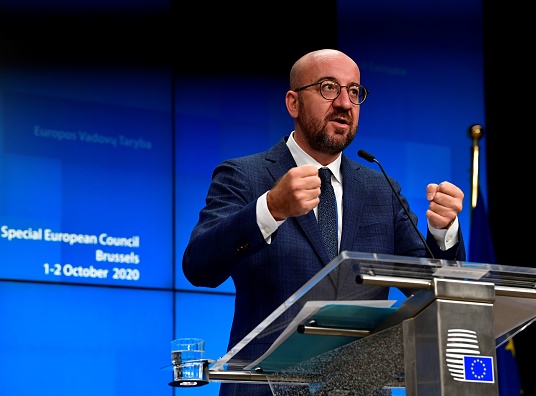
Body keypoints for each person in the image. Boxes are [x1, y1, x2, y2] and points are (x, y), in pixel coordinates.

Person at [182, 48, 466, 395]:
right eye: (328, 88)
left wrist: (442, 231)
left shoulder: (381, 188)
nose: (345, 103)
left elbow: (432, 294)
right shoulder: (245, 175)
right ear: (293, 103)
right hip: (266, 387)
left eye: (354, 91)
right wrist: (270, 208)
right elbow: (199, 267)